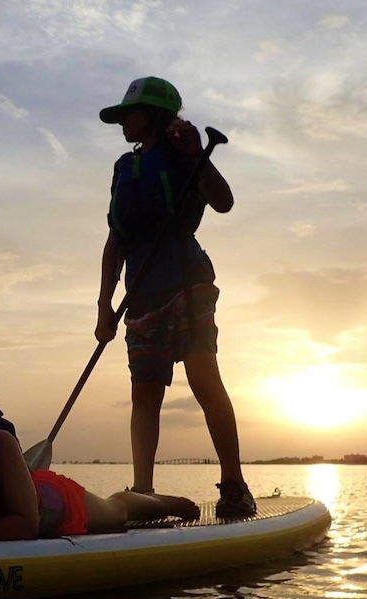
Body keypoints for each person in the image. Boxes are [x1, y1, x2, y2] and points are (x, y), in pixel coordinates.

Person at [95, 76, 257, 518]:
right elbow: (115, 241)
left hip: (188, 284)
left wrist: (192, 154)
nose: (123, 121)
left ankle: (235, 486)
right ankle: (144, 493)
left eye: (130, 113)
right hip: (140, 296)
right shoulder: (123, 168)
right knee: (144, 396)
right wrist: (104, 307)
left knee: (204, 381)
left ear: (152, 114)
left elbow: (223, 201)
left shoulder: (185, 154)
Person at [0, 362, 200, 544]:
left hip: (52, 504)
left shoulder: (0, 444)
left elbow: (27, 526)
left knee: (116, 511)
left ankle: (157, 501)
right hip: (17, 494)